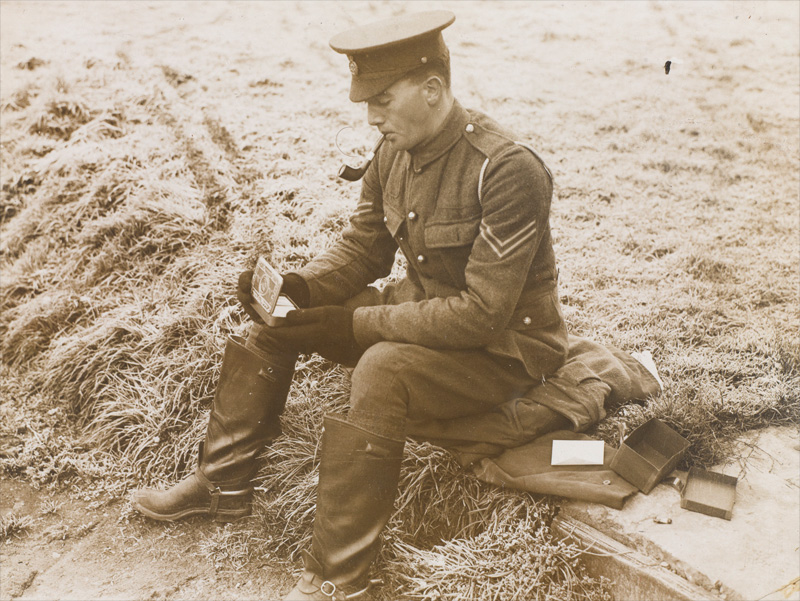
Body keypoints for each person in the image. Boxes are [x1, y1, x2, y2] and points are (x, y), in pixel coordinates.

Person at [132, 10, 658, 600]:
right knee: (275, 326)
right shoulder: (393, 151)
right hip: (425, 318)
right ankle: (221, 483)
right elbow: (363, 248)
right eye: (366, 101)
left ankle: (338, 577)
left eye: (382, 98)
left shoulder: (508, 170)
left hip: (503, 353)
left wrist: (355, 326)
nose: (371, 115)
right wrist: (302, 289)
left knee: (381, 367)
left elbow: (482, 313)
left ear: (432, 90)